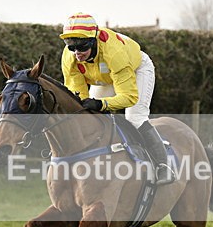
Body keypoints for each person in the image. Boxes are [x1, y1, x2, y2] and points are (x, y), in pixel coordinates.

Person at [59, 12, 174, 185]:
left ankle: (163, 166)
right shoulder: (70, 58)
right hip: (105, 77)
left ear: (92, 41)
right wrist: (88, 107)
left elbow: (129, 97)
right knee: (91, 117)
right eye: (71, 47)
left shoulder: (114, 53)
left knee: (135, 118)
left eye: (82, 47)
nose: (77, 53)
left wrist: (101, 103)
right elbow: (78, 97)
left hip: (136, 69)